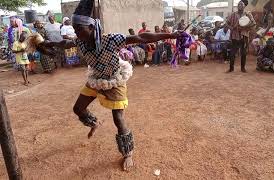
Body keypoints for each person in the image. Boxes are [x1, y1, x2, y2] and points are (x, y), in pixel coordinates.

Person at [44, 0, 182, 171]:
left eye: (80, 29)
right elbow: (65, 43)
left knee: (118, 119)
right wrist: (49, 43)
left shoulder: (110, 40)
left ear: (92, 28)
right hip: (96, 78)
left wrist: (171, 35)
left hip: (115, 80)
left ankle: (128, 153)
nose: (77, 33)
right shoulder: (80, 41)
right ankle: (94, 123)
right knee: (78, 109)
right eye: (75, 29)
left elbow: (140, 37)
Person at [226, 0, 256, 73]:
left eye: (242, 4)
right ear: (237, 6)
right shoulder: (233, 14)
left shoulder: (248, 14)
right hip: (235, 36)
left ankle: (243, 68)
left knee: (244, 52)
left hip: (244, 35)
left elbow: (253, 23)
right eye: (239, 4)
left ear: (244, 6)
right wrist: (232, 28)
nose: (240, 6)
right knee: (232, 53)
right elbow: (226, 23)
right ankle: (231, 68)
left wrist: (245, 26)